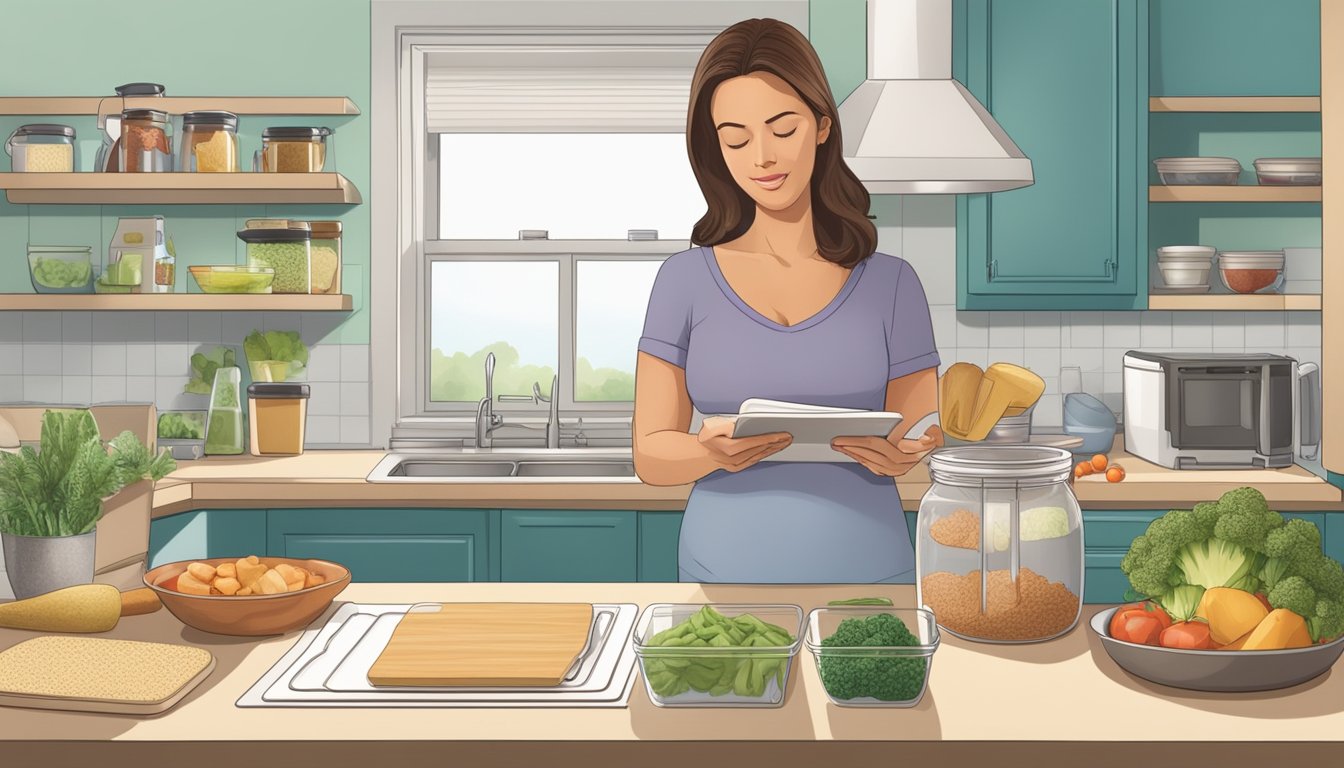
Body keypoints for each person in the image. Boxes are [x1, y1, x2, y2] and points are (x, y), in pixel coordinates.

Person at [631, 18, 945, 584]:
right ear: (715, 146)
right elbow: (650, 455)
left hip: (871, 573)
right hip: (719, 578)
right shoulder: (682, 280)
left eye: (782, 129)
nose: (761, 158)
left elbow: (923, 430)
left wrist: (912, 451)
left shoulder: (893, 285)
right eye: (736, 138)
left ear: (822, 126)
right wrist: (709, 453)